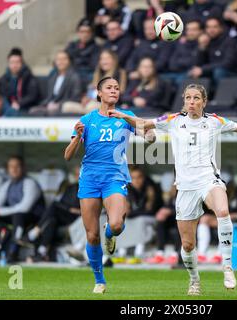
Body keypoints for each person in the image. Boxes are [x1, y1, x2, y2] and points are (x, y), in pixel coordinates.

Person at [108, 83, 237, 295]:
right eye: (188, 98)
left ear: (204, 102)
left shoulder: (215, 121)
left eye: (196, 98)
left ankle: (227, 266)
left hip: (208, 179)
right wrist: (123, 116)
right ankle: (194, 280)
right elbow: (143, 123)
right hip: (185, 187)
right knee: (188, 245)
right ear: (184, 100)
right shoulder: (172, 120)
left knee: (223, 211)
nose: (191, 102)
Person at [64, 76, 156, 294]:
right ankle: (99, 280)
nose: (114, 91)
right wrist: (77, 137)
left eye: (117, 88)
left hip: (114, 177)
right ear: (99, 93)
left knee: (115, 224)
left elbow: (151, 136)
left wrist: (134, 122)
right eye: (109, 88)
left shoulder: (126, 117)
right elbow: (68, 156)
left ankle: (110, 235)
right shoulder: (86, 120)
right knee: (91, 235)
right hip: (89, 179)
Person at [0, 156, 45, 262]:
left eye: (17, 166)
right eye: (11, 166)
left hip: (35, 218)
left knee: (18, 216)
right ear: (8, 169)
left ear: (23, 168)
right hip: (17, 216)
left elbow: (24, 208)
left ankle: (13, 251)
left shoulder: (30, 183)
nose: (14, 169)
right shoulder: (8, 184)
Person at [26, 166, 81, 262]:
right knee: (52, 221)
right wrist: (69, 209)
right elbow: (62, 203)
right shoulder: (70, 188)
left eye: (80, 173)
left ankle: (36, 230)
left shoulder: (89, 187)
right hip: (66, 214)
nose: (78, 176)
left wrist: (75, 210)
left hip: (78, 217)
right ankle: (41, 252)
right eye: (76, 174)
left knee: (54, 206)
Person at [117, 166, 163, 263]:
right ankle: (122, 251)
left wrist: (132, 213)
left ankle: (139, 252)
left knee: (140, 221)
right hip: (136, 218)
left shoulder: (151, 188)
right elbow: (127, 211)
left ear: (143, 178)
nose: (136, 181)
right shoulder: (128, 189)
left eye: (139, 177)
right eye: (133, 178)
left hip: (152, 218)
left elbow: (150, 210)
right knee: (124, 220)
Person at [189, 17, 237, 83]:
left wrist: (203, 69)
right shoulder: (206, 41)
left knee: (219, 72)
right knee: (193, 73)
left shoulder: (229, 41)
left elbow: (228, 63)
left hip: (232, 73)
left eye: (215, 27)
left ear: (221, 28)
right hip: (212, 71)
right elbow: (197, 65)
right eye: (208, 27)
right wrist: (202, 47)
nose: (211, 30)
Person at [32, 51, 83, 115]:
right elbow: (49, 97)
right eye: (58, 59)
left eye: (64, 59)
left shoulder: (74, 76)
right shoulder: (53, 77)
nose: (61, 62)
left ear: (69, 61)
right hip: (51, 106)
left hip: (65, 107)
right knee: (34, 110)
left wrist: (58, 104)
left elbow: (76, 97)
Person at [0, 47, 40, 113]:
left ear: (22, 64)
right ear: (8, 64)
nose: (15, 65)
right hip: (8, 107)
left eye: (17, 62)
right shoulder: (3, 80)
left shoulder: (29, 77)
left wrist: (19, 103)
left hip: (25, 107)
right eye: (12, 62)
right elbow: (2, 96)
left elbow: (32, 96)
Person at [146, 184, 181, 265]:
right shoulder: (171, 198)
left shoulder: (187, 196)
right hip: (172, 220)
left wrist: (171, 211)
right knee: (161, 220)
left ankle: (176, 253)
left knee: (180, 222)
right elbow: (167, 207)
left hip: (185, 220)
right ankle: (160, 252)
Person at [165, 19, 203, 86]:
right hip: (176, 72)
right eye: (188, 30)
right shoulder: (181, 43)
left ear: (200, 31)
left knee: (180, 80)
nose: (190, 32)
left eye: (194, 30)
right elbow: (172, 64)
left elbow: (195, 63)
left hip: (190, 74)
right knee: (161, 79)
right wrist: (186, 62)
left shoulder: (201, 44)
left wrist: (181, 62)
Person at [65, 18, 101, 89]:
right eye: (82, 31)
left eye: (87, 32)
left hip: (86, 74)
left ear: (91, 33)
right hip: (72, 72)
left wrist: (77, 58)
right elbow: (62, 58)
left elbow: (93, 66)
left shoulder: (96, 47)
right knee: (55, 72)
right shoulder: (72, 45)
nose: (85, 34)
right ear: (78, 32)